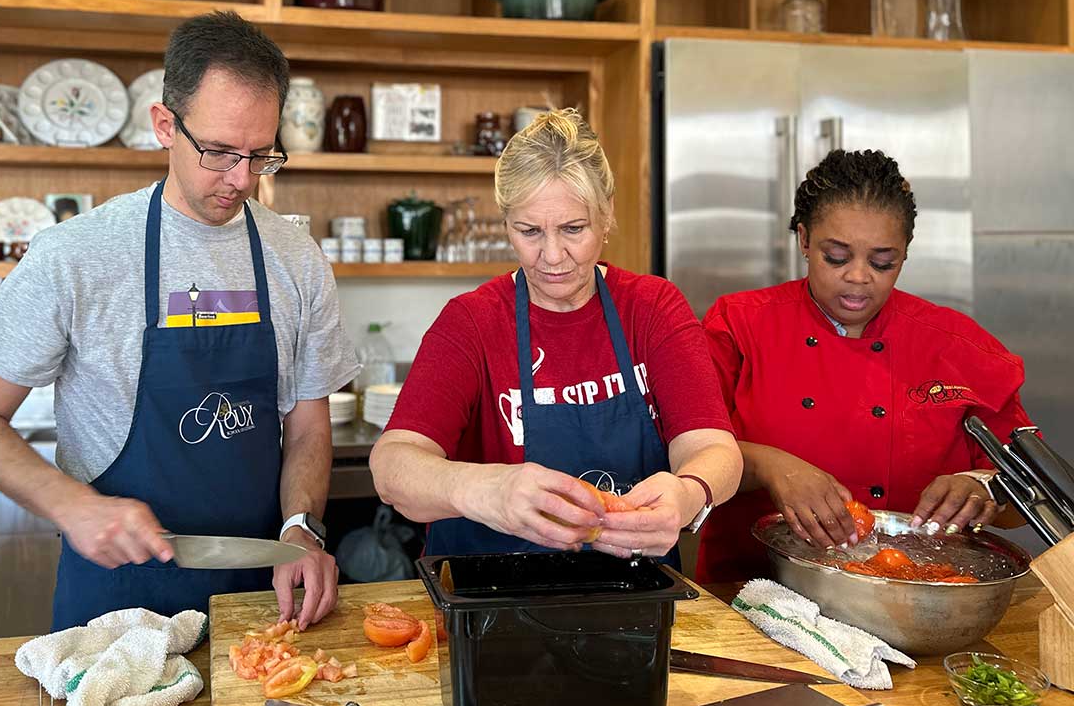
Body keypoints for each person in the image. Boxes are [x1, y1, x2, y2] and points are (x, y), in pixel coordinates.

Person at [0, 11, 358, 630]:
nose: (241, 179)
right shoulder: (76, 254)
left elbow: (306, 426)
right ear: (165, 125)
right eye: (219, 152)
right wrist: (74, 506)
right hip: (117, 598)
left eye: (261, 156)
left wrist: (302, 527)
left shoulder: (296, 259)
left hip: (261, 593)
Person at [370, 109, 742, 562]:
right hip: (490, 599)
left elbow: (715, 449)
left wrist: (687, 493)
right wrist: (487, 488)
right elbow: (392, 466)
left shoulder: (652, 308)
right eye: (529, 231)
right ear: (507, 223)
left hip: (632, 593)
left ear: (606, 218)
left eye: (573, 229)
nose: (552, 256)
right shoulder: (472, 322)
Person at [697, 149, 1031, 584]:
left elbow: (1029, 491)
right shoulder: (739, 325)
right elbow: (683, 452)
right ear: (803, 240)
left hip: (914, 598)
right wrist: (769, 466)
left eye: (882, 262)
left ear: (905, 255)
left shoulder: (959, 347)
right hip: (746, 591)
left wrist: (982, 487)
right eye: (836, 256)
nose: (858, 277)